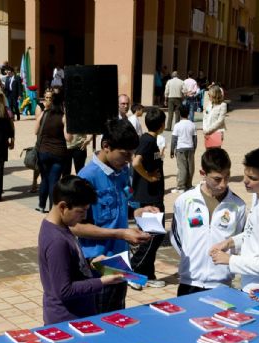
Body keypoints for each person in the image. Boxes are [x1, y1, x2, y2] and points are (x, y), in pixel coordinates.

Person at [156, 147, 247, 343]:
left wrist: (224, 265)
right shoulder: (185, 201)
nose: (223, 185)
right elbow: (178, 237)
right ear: (202, 173)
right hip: (189, 283)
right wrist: (192, 261)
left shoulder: (238, 206)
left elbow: (241, 241)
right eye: (217, 179)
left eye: (227, 178)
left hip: (221, 288)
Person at [74, 118, 155, 314]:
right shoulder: (87, 178)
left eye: (131, 155)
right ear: (106, 146)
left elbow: (119, 207)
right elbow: (75, 226)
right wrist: (121, 234)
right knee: (98, 320)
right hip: (97, 264)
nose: (129, 160)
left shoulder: (122, 171)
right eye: (125, 154)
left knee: (117, 316)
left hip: (120, 261)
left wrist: (137, 212)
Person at [39, 175, 124, 325]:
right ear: (63, 207)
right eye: (81, 211)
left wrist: (90, 263)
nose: (84, 216)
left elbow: (67, 265)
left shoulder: (59, 227)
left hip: (75, 315)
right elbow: (64, 290)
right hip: (68, 320)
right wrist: (102, 282)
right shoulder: (57, 241)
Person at [210, 147, 259, 292]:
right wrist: (230, 242)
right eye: (245, 175)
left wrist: (230, 260)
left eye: (253, 178)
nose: (245, 181)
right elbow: (254, 233)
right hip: (254, 286)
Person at [130, 107, 167, 289]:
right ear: (162, 124)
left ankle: (148, 274)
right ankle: (134, 272)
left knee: (154, 237)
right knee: (151, 237)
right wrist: (149, 177)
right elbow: (136, 162)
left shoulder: (151, 141)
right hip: (148, 198)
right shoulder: (147, 140)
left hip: (154, 196)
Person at [36, 90, 72, 212]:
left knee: (44, 179)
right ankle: (53, 209)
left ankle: (41, 205)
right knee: (54, 180)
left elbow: (36, 131)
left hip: (43, 152)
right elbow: (68, 137)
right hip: (58, 153)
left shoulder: (44, 114)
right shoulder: (63, 117)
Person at [170, 104, 197, 193]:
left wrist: (172, 150)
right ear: (188, 113)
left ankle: (181, 186)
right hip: (190, 148)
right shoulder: (192, 125)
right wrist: (194, 149)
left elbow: (174, 139)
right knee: (190, 168)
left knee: (182, 168)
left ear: (180, 114)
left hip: (180, 149)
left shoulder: (177, 125)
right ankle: (189, 185)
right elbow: (195, 138)